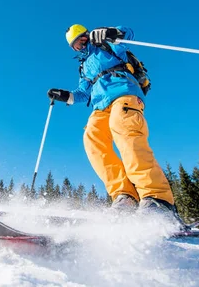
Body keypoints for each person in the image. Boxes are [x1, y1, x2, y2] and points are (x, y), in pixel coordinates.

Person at [48, 24, 182, 224]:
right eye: (75, 46)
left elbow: (128, 33)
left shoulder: (107, 45)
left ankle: (158, 199)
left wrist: (110, 32)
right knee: (92, 138)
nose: (81, 46)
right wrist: (66, 96)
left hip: (124, 94)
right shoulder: (84, 66)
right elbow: (83, 93)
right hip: (100, 105)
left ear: (87, 35)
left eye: (82, 40)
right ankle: (124, 195)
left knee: (125, 130)